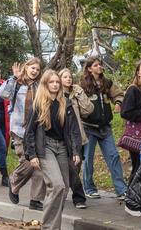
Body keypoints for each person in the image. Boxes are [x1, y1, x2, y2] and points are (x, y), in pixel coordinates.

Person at [24, 70, 83, 230]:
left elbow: (74, 130)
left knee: (63, 189)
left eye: (57, 82)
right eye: (52, 82)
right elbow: (29, 131)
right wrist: (32, 154)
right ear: (45, 84)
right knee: (56, 185)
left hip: (63, 147)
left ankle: (52, 226)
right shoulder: (38, 103)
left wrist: (76, 151)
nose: (55, 84)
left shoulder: (66, 103)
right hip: (45, 147)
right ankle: (49, 227)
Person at [0, 58, 46, 210]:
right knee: (27, 162)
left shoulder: (40, 86)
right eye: (32, 68)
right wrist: (14, 77)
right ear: (26, 68)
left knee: (38, 165)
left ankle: (36, 200)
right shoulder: (17, 83)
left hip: (36, 130)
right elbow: (3, 94)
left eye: (37, 69)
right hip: (19, 130)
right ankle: (14, 181)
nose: (34, 71)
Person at [80, 56, 127, 200]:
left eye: (100, 65)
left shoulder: (107, 83)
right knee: (87, 159)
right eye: (96, 65)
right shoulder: (83, 85)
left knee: (113, 156)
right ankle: (89, 188)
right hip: (89, 128)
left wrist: (118, 102)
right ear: (89, 69)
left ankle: (121, 189)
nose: (99, 67)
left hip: (105, 128)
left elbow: (118, 94)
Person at [60, 68, 93, 209]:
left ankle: (66, 193)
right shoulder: (56, 95)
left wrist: (80, 94)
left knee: (75, 168)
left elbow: (88, 110)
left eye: (70, 77)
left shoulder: (75, 94)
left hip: (77, 136)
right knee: (71, 169)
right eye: (65, 77)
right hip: (61, 138)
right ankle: (79, 198)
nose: (68, 79)